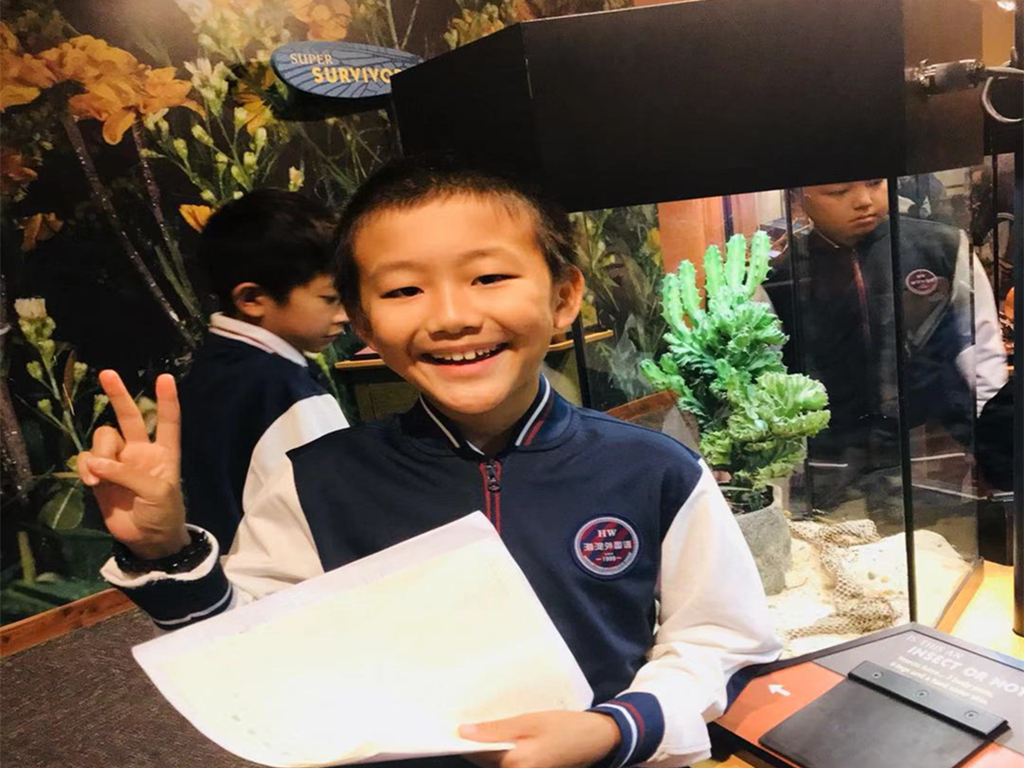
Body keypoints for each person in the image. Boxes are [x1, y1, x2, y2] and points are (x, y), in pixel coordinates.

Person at [76, 156, 780, 768]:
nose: (450, 317)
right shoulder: (316, 479)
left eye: (488, 277)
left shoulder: (652, 469)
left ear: (564, 296)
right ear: (361, 322)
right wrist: (166, 551)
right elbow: (252, 654)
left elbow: (721, 639)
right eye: (403, 290)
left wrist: (614, 728)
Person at [764, 179, 1007, 511]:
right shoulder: (779, 275)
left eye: (875, 183)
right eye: (838, 192)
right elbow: (771, 378)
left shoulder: (943, 247)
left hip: (933, 449)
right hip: (828, 459)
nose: (864, 200)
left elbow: (979, 348)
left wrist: (993, 443)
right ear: (797, 198)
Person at [178, 189, 350, 554]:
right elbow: (334, 510)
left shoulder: (213, 366)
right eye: (330, 298)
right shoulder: (283, 389)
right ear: (252, 299)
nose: (345, 315)